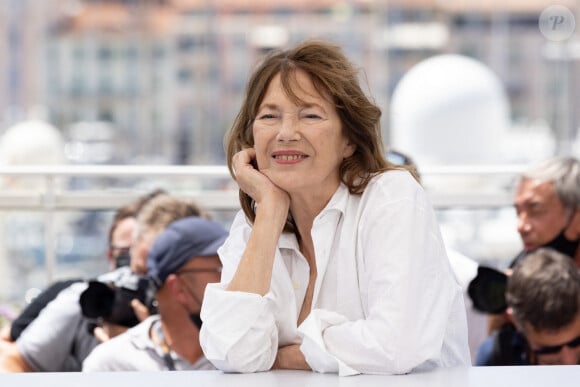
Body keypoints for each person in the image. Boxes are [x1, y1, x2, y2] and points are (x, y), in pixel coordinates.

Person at [199, 40, 470, 376]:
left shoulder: (391, 197)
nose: (286, 133)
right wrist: (270, 212)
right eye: (270, 116)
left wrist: (284, 355)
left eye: (310, 115)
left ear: (349, 140)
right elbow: (230, 352)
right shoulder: (258, 218)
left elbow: (396, 346)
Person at [0, 193, 203, 372]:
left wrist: (150, 344)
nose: (132, 280)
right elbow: (13, 359)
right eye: (126, 259)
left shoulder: (211, 318)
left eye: (155, 275)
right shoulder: (86, 298)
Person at [83, 216, 228, 371]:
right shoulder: (112, 366)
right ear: (178, 287)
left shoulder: (246, 356)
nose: (233, 278)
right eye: (220, 269)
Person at [471, 157, 580, 364]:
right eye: (518, 212)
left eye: (535, 210)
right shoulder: (520, 267)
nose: (521, 225)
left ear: (577, 216)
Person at [476, 248, 580, 365]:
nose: (569, 361)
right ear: (517, 322)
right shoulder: (498, 357)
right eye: (550, 350)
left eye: (576, 342)